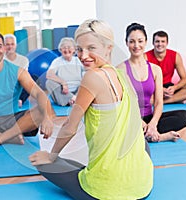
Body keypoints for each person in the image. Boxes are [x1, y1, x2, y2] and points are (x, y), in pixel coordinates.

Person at [29, 19, 153, 200]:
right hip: (143, 184)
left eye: (91, 48)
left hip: (108, 190)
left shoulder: (92, 77)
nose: (83, 55)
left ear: (108, 47)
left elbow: (69, 127)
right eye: (79, 49)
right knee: (141, 144)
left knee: (41, 161)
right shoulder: (122, 73)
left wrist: (51, 155)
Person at [118, 23, 186, 142]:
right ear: (126, 43)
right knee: (118, 124)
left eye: (140, 41)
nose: (136, 45)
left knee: (184, 116)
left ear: (145, 42)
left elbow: (158, 102)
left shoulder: (155, 69)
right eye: (132, 41)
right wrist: (143, 125)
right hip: (130, 118)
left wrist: (152, 124)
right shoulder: (120, 69)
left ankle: (147, 134)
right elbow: (123, 105)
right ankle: (159, 137)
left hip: (149, 117)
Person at [145, 30, 186, 104]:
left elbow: (184, 79)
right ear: (153, 43)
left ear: (167, 43)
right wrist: (160, 89)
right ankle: (176, 98)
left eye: (163, 41)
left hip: (169, 87)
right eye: (157, 41)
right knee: (142, 98)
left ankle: (165, 101)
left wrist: (174, 88)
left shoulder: (175, 56)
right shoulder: (145, 57)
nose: (160, 44)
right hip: (153, 87)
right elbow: (143, 81)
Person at [45, 37, 84, 106]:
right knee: (49, 83)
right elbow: (49, 75)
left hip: (78, 91)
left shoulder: (78, 60)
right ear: (60, 50)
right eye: (64, 47)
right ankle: (73, 99)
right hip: (63, 92)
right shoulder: (57, 61)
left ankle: (73, 99)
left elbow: (87, 75)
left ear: (74, 49)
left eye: (69, 47)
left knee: (88, 81)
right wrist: (63, 83)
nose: (66, 49)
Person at [4, 33, 30, 107]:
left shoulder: (24, 60)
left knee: (34, 78)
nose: (10, 47)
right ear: (3, 46)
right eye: (7, 44)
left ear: (16, 45)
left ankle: (20, 100)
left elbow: (25, 77)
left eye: (12, 44)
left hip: (19, 84)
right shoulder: (0, 60)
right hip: (6, 86)